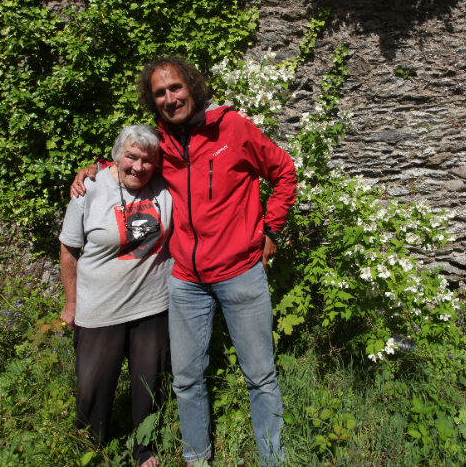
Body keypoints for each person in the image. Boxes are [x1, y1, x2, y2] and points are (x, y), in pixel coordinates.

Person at [71, 56, 297, 466]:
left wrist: (272, 230)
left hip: (241, 273)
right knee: (186, 380)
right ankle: (197, 459)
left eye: (175, 87)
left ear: (191, 85)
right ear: (153, 102)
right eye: (160, 93)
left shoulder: (234, 128)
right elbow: (133, 165)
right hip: (187, 281)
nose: (170, 98)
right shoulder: (163, 143)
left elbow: (284, 172)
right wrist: (97, 168)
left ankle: (273, 459)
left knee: (260, 377)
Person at [60, 125, 174, 467]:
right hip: (100, 307)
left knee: (148, 384)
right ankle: (90, 448)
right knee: (93, 386)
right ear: (116, 155)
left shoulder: (165, 186)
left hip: (153, 304)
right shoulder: (90, 188)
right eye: (131, 157)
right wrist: (71, 303)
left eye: (147, 160)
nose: (138, 166)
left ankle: (144, 449)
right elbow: (69, 248)